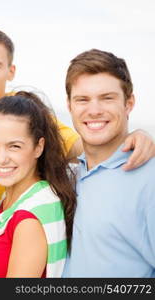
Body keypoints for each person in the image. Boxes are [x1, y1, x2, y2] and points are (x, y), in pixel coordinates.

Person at [0, 27, 155, 206]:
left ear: (11, 71)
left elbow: (80, 145)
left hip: (20, 224)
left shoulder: (25, 111)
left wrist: (132, 138)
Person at [62, 49, 155, 277]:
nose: (94, 110)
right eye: (83, 99)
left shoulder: (149, 179)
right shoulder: (69, 175)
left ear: (129, 103)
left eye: (107, 98)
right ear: (69, 105)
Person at [0, 92, 76, 278]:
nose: (1, 159)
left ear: (38, 147)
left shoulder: (29, 217)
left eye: (14, 146)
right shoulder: (14, 198)